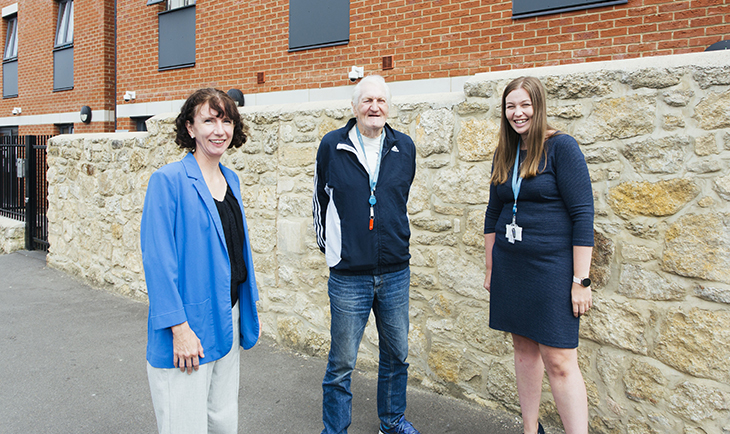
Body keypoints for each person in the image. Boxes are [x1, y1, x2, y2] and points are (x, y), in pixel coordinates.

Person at [140, 88, 260, 434]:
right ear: (190, 128)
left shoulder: (231, 180)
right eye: (209, 120)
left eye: (226, 121)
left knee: (223, 418)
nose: (218, 130)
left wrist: (249, 308)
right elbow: (158, 262)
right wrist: (179, 330)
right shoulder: (168, 181)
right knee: (184, 424)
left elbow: (237, 251)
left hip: (228, 316)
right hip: (189, 324)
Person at [483, 76, 594, 434]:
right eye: (510, 106)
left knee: (560, 361)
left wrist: (581, 280)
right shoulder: (506, 152)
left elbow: (583, 215)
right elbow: (492, 214)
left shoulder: (562, 148)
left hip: (552, 270)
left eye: (525, 105)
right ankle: (531, 430)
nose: (518, 113)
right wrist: (490, 268)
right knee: (523, 350)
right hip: (512, 268)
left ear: (539, 106)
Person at [312, 75, 420, 434]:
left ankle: (391, 422)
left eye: (381, 101)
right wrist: (334, 251)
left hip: (394, 272)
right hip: (348, 276)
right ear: (354, 107)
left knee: (397, 355)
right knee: (342, 362)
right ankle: (335, 429)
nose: (375, 107)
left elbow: (398, 200)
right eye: (367, 101)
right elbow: (319, 200)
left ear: (388, 107)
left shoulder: (404, 147)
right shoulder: (333, 144)